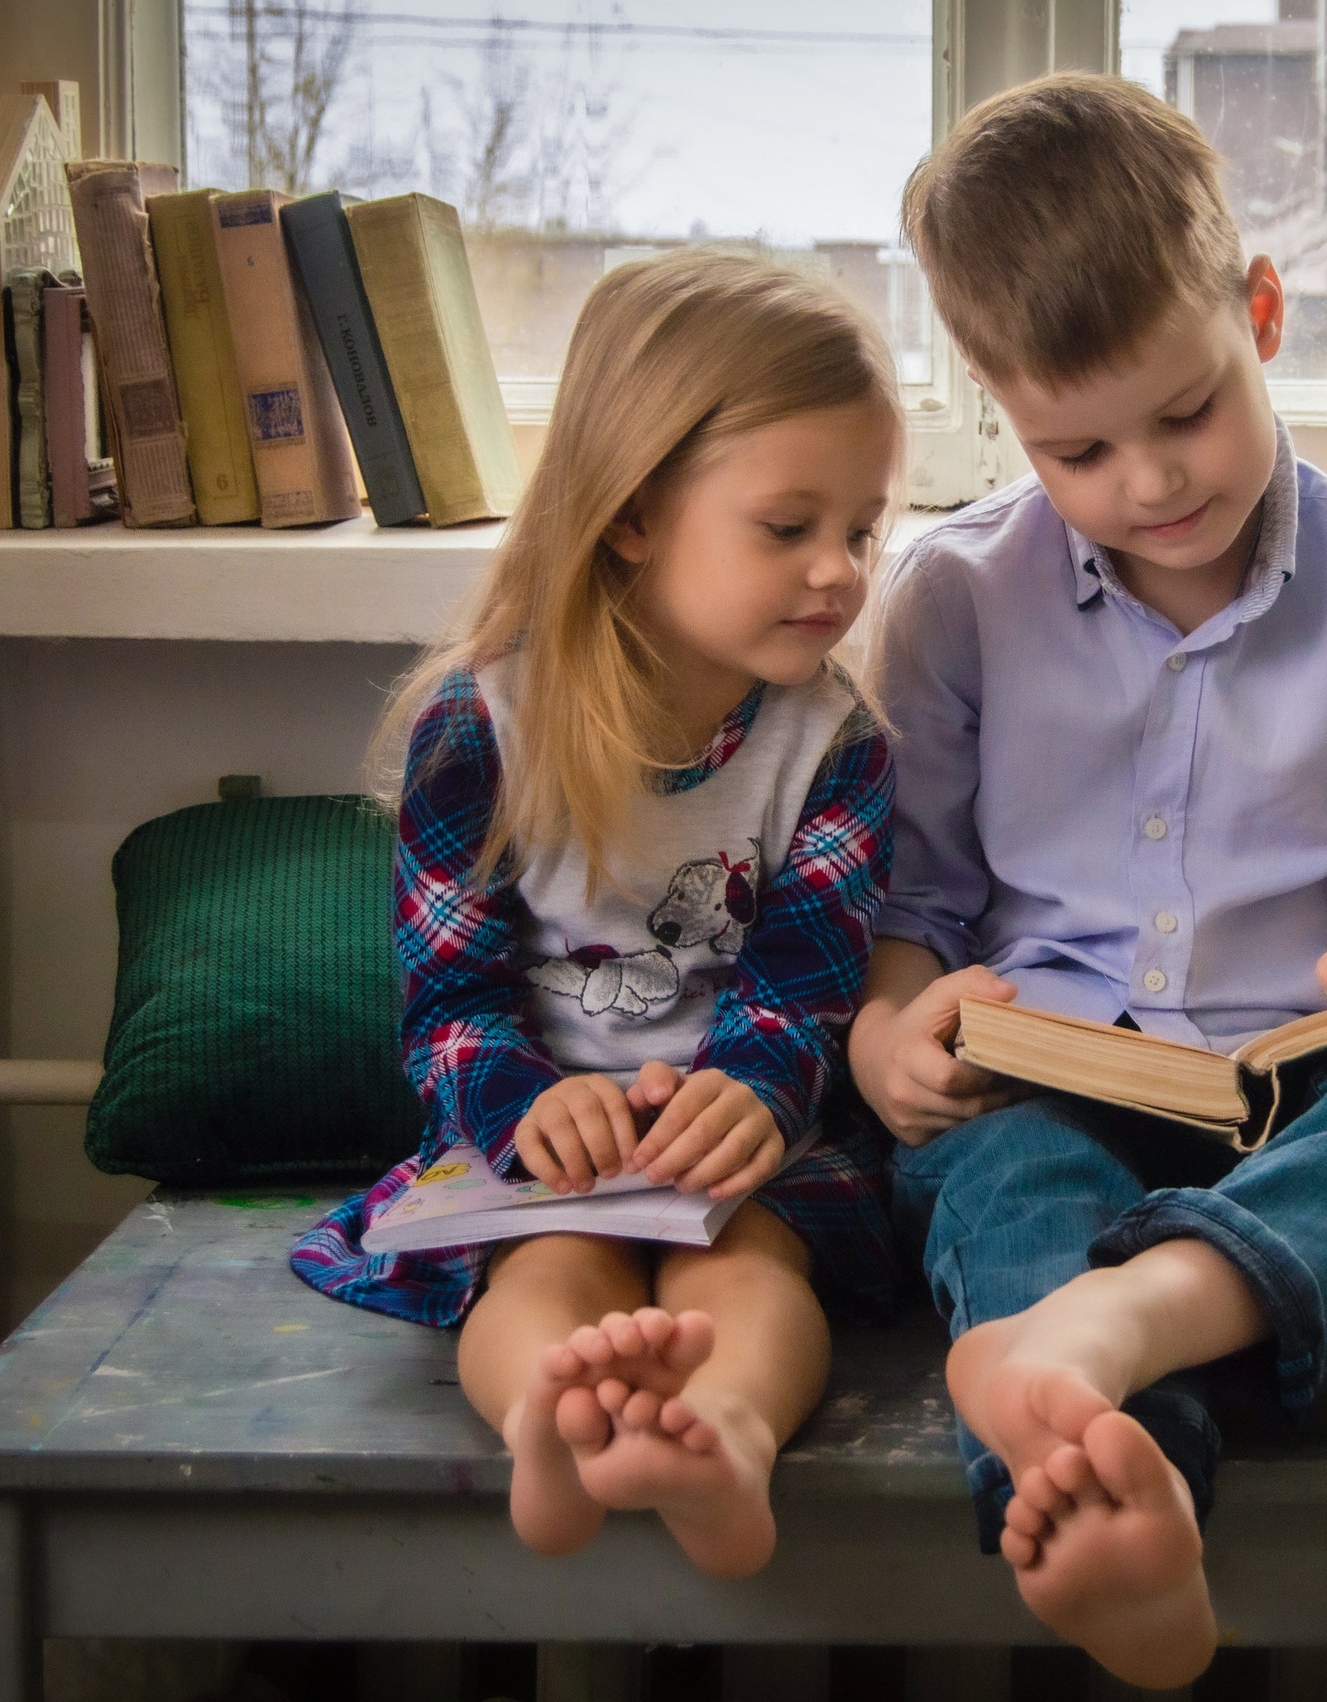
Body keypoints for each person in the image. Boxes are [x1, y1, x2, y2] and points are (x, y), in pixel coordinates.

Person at [851, 74, 1327, 1687]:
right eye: (1076, 449)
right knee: (1008, 1193)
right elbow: (918, 909)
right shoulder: (952, 600)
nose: (1150, 483)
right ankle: (1121, 1483)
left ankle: (1119, 1331)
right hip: (1051, 1087)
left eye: (1187, 412)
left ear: (1264, 313)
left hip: (1292, 1108)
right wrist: (890, 1032)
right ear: (1005, 413)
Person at [291, 249, 904, 1581]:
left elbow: (806, 984)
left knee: (749, 1273)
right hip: (543, 1139)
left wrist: (751, 1094)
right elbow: (449, 997)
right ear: (633, 514)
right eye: (787, 526)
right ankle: (550, 1432)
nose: (839, 573)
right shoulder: (484, 726)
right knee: (547, 1276)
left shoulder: (833, 741)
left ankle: (722, 1438)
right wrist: (521, 1107)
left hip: (745, 1148)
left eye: (862, 530)